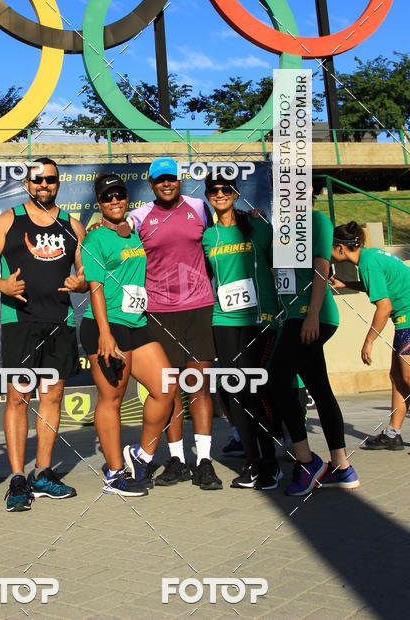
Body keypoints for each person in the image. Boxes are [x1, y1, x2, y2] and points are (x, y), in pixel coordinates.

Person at [0, 158, 87, 512]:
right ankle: (17, 479)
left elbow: (84, 272)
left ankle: (42, 473)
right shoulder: (9, 219)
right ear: (28, 184)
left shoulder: (72, 224)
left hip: (60, 321)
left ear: (58, 184)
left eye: (51, 180)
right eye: (38, 180)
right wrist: (2, 285)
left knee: (53, 395)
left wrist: (80, 281)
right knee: (18, 397)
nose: (44, 185)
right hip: (20, 321)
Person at [80, 173, 177, 496]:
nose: (114, 201)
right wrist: (105, 335)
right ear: (99, 204)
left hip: (136, 322)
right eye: (107, 197)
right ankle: (114, 472)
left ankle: (143, 455)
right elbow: (94, 289)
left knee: (166, 387)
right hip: (106, 325)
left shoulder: (135, 230)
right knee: (113, 398)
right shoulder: (94, 239)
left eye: (119, 195)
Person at [128, 157, 221, 491]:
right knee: (170, 390)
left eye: (171, 178)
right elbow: (116, 239)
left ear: (180, 180)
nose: (166, 184)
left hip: (199, 307)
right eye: (159, 180)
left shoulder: (199, 206)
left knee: (197, 386)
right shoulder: (138, 217)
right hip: (159, 311)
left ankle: (205, 461)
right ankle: (177, 460)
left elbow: (223, 229)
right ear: (151, 184)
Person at [270, 205, 359, 495]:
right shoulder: (282, 227)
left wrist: (312, 314)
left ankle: (306, 462)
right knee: (320, 389)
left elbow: (321, 267)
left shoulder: (317, 220)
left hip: (312, 317)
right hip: (295, 317)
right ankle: (342, 467)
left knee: (276, 381)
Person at [202, 176, 281, 490]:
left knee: (256, 391)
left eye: (226, 189)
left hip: (258, 321)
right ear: (208, 196)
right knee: (234, 391)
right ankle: (251, 462)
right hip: (223, 320)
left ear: (235, 193)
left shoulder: (260, 226)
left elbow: (283, 268)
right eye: (214, 190)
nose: (220, 194)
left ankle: (270, 463)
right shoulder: (207, 237)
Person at [332, 220, 410, 453]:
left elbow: (384, 307)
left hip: (408, 317)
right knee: (397, 377)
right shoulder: (369, 257)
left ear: (340, 248)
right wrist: (346, 283)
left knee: (407, 376)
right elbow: (378, 286)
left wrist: (369, 341)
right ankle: (393, 434)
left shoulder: (367, 264)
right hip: (405, 318)